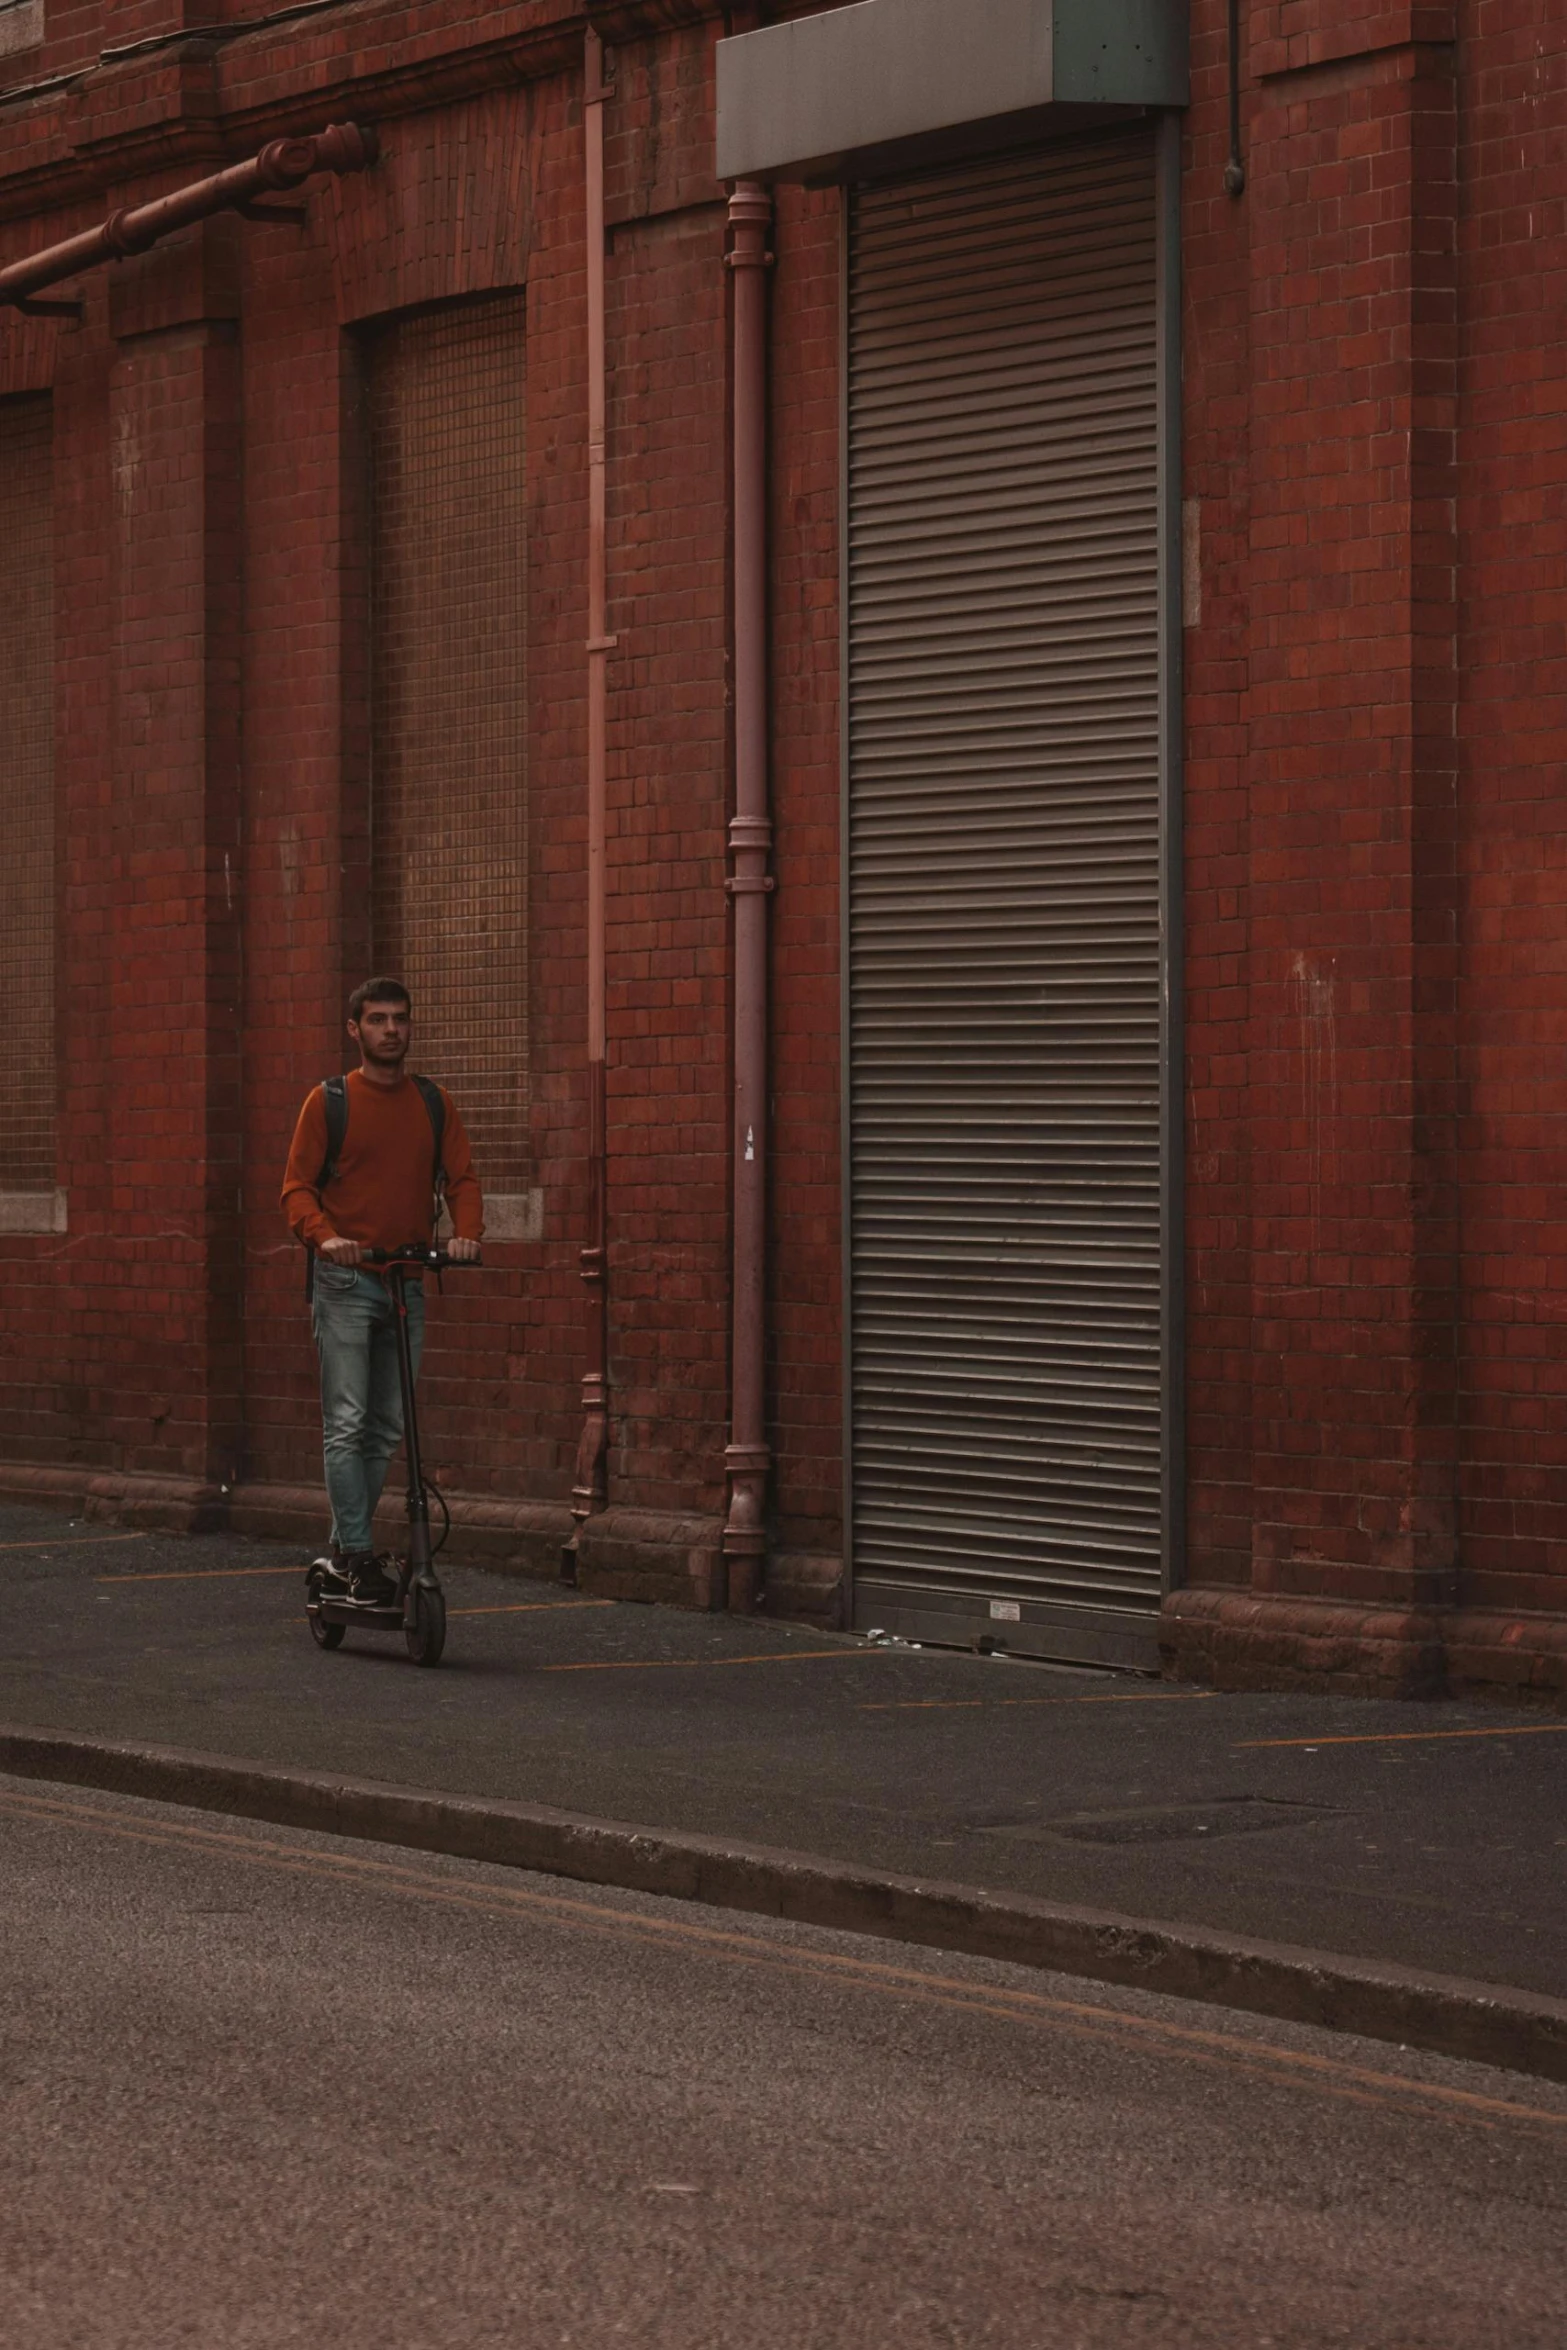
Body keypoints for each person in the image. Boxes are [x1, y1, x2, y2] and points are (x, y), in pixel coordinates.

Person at [281, 978, 484, 1604]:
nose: (390, 1030)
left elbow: (463, 1178)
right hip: (345, 1280)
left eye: (399, 1019)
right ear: (355, 1029)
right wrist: (325, 1238)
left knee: (388, 1426)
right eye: (377, 1020)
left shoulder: (433, 1102)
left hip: (406, 1279)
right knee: (347, 1421)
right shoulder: (329, 1102)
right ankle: (357, 1555)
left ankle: (348, 1548)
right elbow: (295, 1189)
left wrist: (466, 1234)